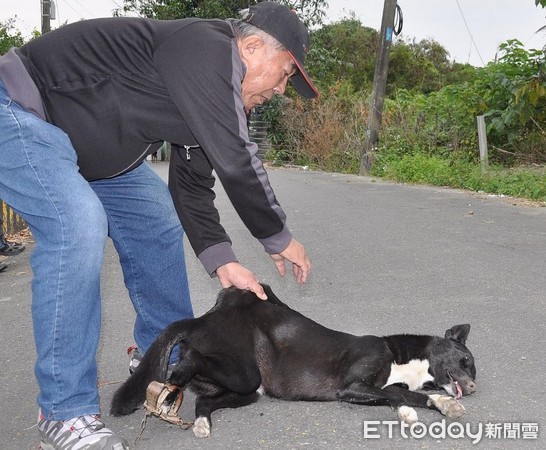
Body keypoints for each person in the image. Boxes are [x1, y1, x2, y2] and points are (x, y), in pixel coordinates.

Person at [0, 2, 316, 448]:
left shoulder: (207, 95)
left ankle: (162, 359)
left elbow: (191, 187)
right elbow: (237, 160)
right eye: (285, 73)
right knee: (78, 224)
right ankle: (63, 411)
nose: (283, 90)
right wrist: (277, 236)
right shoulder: (206, 47)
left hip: (89, 152)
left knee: (156, 217)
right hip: (19, 110)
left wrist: (223, 261)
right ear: (250, 47)